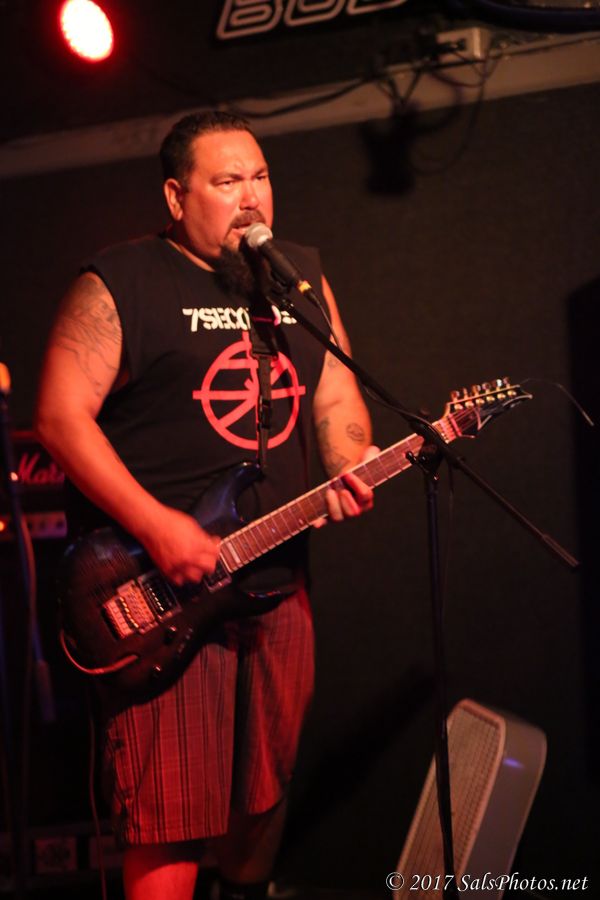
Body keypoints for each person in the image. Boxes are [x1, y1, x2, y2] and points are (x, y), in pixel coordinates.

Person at [35, 111, 376, 900]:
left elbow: (333, 394)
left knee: (262, 806)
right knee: (170, 825)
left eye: (260, 177)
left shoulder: (296, 277)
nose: (251, 197)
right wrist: (158, 527)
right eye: (227, 182)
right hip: (160, 591)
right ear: (175, 196)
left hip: (277, 586)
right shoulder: (122, 281)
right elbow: (58, 416)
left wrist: (351, 462)